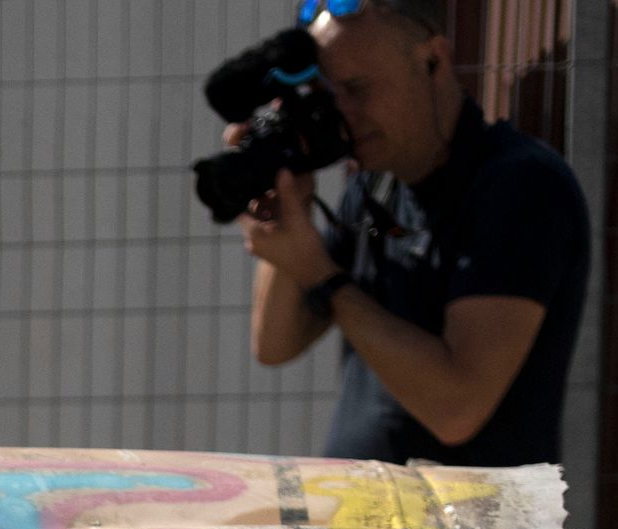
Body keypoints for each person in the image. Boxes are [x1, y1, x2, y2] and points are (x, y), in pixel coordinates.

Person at [236, 0, 589, 468]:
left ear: (433, 60)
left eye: (357, 89)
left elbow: (456, 408)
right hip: (366, 528)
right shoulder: (374, 181)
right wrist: (285, 208)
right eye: (327, 95)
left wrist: (323, 277)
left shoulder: (520, 186)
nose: (343, 114)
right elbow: (276, 344)